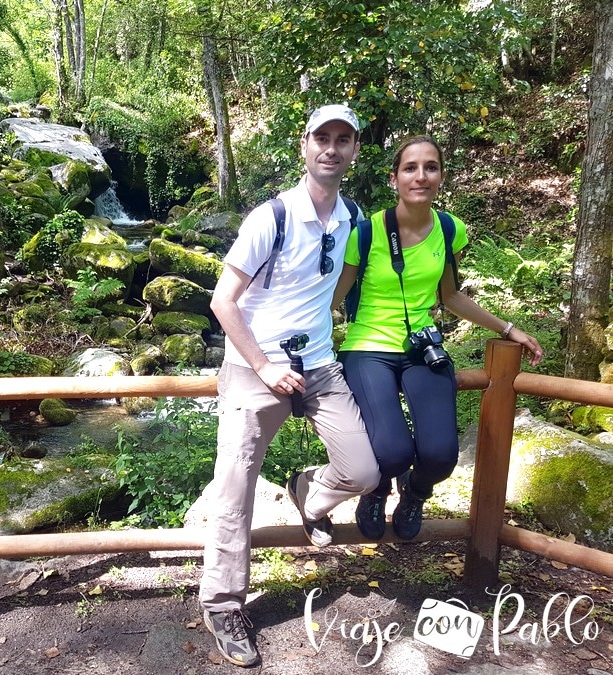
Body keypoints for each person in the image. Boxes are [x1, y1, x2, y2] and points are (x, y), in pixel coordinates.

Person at [198, 104, 381, 668]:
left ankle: (310, 493)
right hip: (257, 370)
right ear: (304, 146)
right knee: (234, 488)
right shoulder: (269, 217)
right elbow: (221, 301)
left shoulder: (352, 218)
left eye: (342, 140)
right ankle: (224, 603)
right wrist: (262, 366)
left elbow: (343, 289)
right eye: (321, 138)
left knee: (364, 470)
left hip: (320, 365)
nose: (331, 148)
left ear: (354, 150)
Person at [333, 135, 543, 542]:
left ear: (441, 177)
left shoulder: (449, 229)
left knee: (441, 455)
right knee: (390, 451)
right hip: (367, 347)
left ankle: (414, 493)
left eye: (431, 167)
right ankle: (376, 490)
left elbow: (449, 296)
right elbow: (333, 300)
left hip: (420, 348)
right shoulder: (365, 232)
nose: (421, 176)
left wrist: (508, 328)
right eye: (410, 168)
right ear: (394, 178)